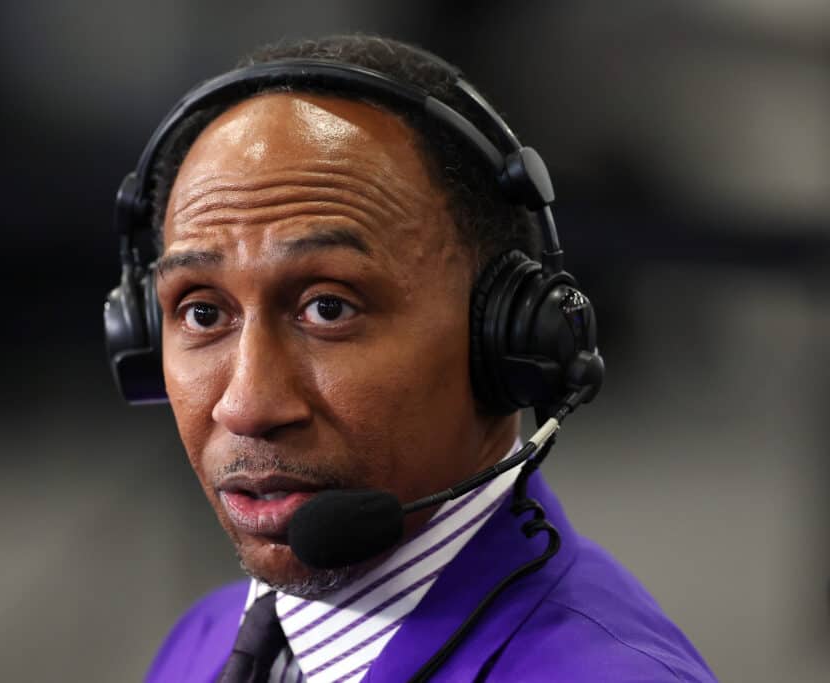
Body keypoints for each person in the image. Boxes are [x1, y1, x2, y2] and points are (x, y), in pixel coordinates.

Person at [107, 34, 716, 682]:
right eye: (203, 312)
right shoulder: (200, 645)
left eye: (329, 308)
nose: (249, 404)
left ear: (506, 346)